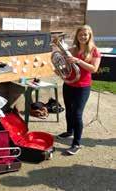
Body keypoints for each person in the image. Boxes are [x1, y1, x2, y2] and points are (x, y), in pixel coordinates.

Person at [57, 25, 101, 155]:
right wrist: (59, 68)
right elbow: (64, 65)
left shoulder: (94, 51)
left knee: (77, 114)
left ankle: (76, 143)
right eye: (80, 34)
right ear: (77, 36)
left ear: (89, 36)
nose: (83, 37)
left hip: (83, 87)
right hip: (69, 84)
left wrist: (78, 61)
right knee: (68, 111)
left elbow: (94, 69)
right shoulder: (72, 49)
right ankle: (69, 131)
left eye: (85, 35)